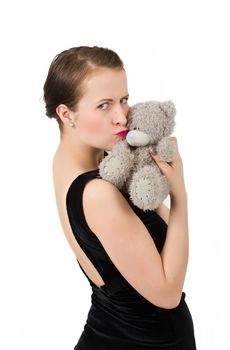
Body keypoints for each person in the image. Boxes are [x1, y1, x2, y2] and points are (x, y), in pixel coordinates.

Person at [43, 46, 197, 349]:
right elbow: (167, 294)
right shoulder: (98, 192)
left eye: (124, 100)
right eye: (103, 105)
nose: (121, 117)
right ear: (66, 113)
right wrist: (180, 196)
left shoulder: (70, 163)